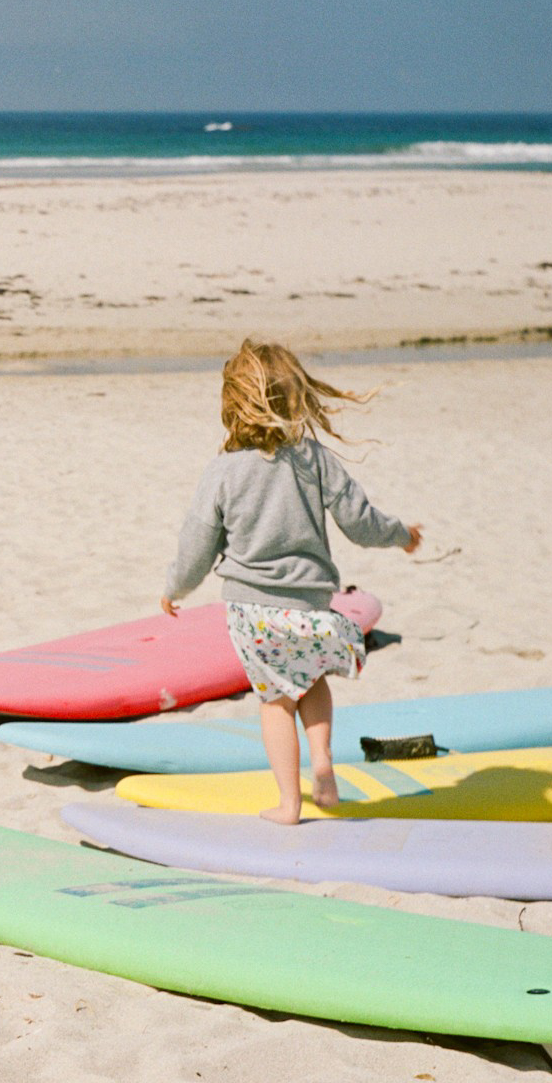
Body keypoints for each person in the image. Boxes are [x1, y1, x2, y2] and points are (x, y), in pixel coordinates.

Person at [161, 341, 422, 824]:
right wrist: (401, 534)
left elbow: (196, 545)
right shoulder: (314, 460)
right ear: (296, 398)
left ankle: (289, 803)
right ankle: (322, 760)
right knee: (313, 677)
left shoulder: (221, 472)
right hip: (311, 603)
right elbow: (360, 522)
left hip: (252, 611)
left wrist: (175, 588)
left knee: (275, 699)